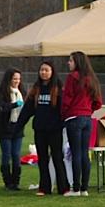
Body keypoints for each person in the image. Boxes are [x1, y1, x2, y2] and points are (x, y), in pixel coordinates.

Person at [17, 60, 70, 196]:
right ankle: (44, 188)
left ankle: (63, 188)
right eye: (42, 70)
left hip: (55, 130)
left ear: (52, 72)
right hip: (40, 129)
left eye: (47, 70)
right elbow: (28, 109)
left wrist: (62, 123)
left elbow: (63, 109)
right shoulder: (36, 89)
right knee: (42, 159)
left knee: (58, 158)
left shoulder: (58, 88)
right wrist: (18, 125)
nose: (44, 73)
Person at [61, 51, 102, 197]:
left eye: (71, 61)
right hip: (87, 119)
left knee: (76, 153)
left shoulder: (72, 77)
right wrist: (88, 109)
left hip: (74, 118)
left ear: (77, 62)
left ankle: (76, 188)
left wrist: (64, 114)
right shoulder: (92, 79)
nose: (68, 63)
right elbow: (98, 102)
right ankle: (84, 188)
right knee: (85, 153)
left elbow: (67, 99)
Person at [0, 68, 25, 191]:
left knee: (16, 155)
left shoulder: (21, 92)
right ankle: (7, 182)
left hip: (17, 128)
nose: (17, 81)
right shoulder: (1, 94)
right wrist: (14, 105)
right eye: (14, 78)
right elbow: (1, 108)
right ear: (9, 79)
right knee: (6, 155)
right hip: (4, 128)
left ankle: (16, 182)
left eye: (19, 79)